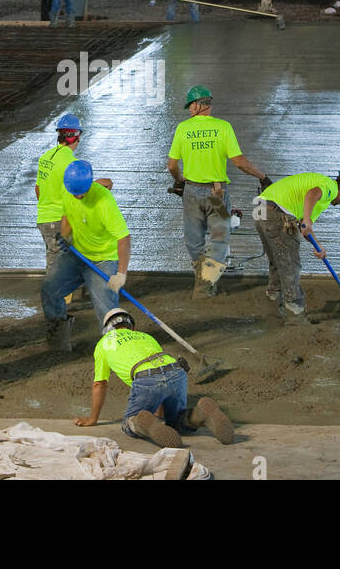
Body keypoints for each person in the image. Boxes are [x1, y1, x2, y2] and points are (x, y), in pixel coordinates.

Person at [166, 85, 272, 298]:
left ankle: (202, 279)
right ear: (209, 104)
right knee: (220, 238)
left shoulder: (183, 129)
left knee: (194, 240)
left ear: (197, 105)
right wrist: (262, 177)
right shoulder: (224, 128)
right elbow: (240, 162)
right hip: (217, 195)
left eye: (190, 106)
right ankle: (205, 284)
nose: (189, 110)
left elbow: (171, 165)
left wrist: (179, 180)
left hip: (191, 193)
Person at [75, 308, 235, 449]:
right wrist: (159, 413)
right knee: (179, 422)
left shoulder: (104, 344)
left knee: (128, 424)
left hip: (146, 378)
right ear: (131, 325)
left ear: (108, 328)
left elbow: (99, 384)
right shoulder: (145, 336)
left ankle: (141, 421)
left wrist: (93, 418)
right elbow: (160, 371)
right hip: (176, 371)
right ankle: (200, 414)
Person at [255, 171, 340, 323]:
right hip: (278, 214)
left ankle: (273, 301)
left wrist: (318, 247)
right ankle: (295, 313)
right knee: (291, 265)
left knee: (278, 261)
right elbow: (313, 193)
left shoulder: (319, 192)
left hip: (261, 210)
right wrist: (306, 219)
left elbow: (306, 229)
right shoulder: (329, 188)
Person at [41, 160, 126, 352]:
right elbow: (68, 214)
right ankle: (58, 343)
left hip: (104, 259)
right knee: (50, 288)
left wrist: (121, 273)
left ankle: (116, 350)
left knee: (106, 307)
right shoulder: (69, 189)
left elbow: (124, 238)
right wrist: (64, 238)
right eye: (74, 192)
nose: (78, 196)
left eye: (82, 192)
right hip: (77, 254)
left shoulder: (104, 202)